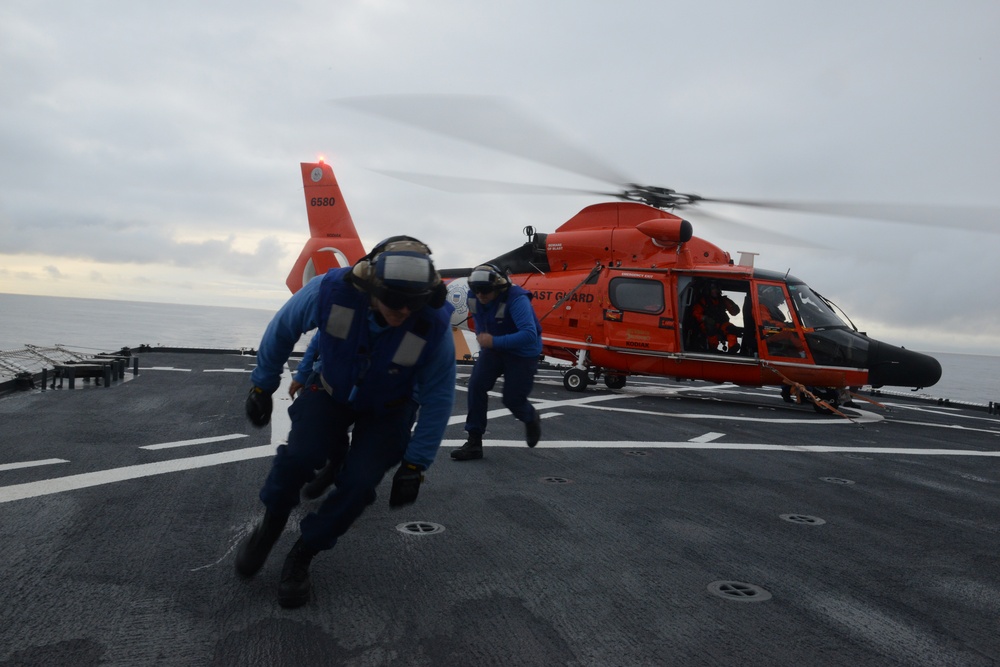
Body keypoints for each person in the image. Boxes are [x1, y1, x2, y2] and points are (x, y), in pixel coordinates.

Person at [236, 236, 456, 608]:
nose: (403, 312)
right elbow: (283, 329)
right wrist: (262, 384)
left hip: (390, 408)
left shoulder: (431, 323)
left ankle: (303, 554)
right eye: (393, 301)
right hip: (330, 391)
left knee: (358, 486)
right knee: (298, 458)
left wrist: (417, 463)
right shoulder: (329, 290)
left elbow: (439, 395)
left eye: (412, 304)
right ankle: (269, 527)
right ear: (370, 286)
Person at [451, 263, 543, 461]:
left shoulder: (517, 299)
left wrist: (494, 341)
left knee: (512, 399)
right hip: (493, 350)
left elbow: (529, 334)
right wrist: (487, 344)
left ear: (499, 287)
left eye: (485, 290)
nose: (481, 295)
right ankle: (474, 442)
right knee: (476, 386)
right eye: (476, 290)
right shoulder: (474, 297)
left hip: (522, 353)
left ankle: (530, 417)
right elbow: (480, 321)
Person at [692, 281, 742, 354]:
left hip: (721, 324)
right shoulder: (703, 301)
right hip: (707, 325)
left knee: (731, 328)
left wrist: (734, 308)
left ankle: (732, 348)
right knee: (710, 327)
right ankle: (713, 348)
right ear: (708, 290)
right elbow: (695, 313)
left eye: (716, 288)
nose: (715, 291)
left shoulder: (723, 300)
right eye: (712, 289)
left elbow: (734, 312)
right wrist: (705, 318)